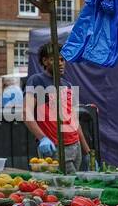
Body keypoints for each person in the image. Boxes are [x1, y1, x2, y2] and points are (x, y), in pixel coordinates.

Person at [23, 43, 91, 172]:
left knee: (73, 186)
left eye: (62, 60)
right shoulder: (37, 81)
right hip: (55, 148)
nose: (60, 63)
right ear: (45, 61)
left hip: (76, 147)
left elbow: (74, 120)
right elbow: (26, 113)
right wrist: (42, 138)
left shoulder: (68, 85)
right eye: (55, 59)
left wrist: (87, 151)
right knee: (65, 187)